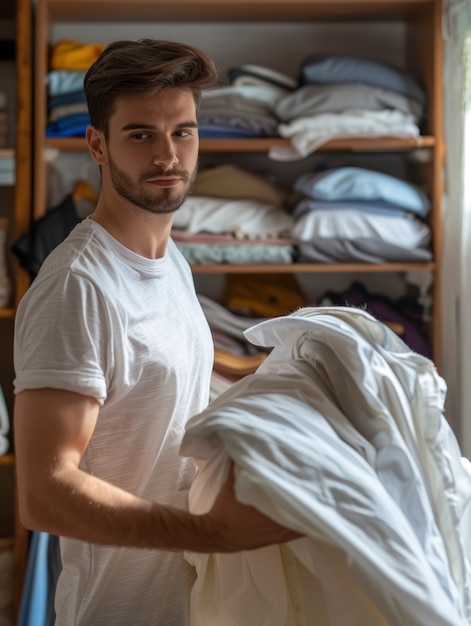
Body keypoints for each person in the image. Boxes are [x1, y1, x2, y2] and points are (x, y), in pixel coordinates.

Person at [13, 39, 300, 626]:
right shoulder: (77, 286)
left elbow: (169, 369)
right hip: (120, 609)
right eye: (141, 134)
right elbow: (43, 493)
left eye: (183, 132)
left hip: (192, 601)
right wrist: (207, 533)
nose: (168, 156)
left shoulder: (170, 260)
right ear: (97, 143)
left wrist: (287, 374)